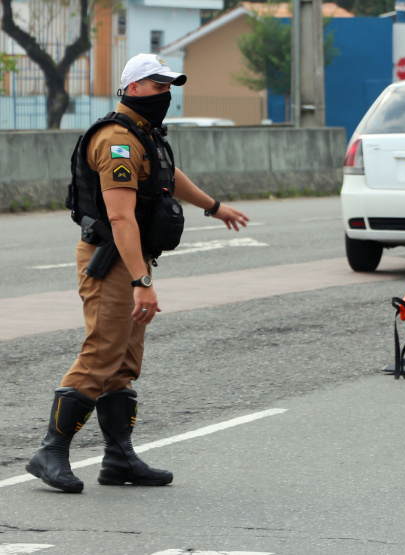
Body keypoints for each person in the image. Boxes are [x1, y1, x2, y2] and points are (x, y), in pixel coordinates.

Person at [26, 53, 250, 493]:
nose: (164, 93)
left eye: (168, 86)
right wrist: (141, 282)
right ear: (130, 88)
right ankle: (50, 451)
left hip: (131, 259)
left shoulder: (143, 136)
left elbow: (167, 175)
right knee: (102, 352)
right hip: (112, 260)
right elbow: (122, 218)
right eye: (154, 85)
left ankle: (119, 459)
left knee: (125, 362)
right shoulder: (117, 141)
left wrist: (213, 207)